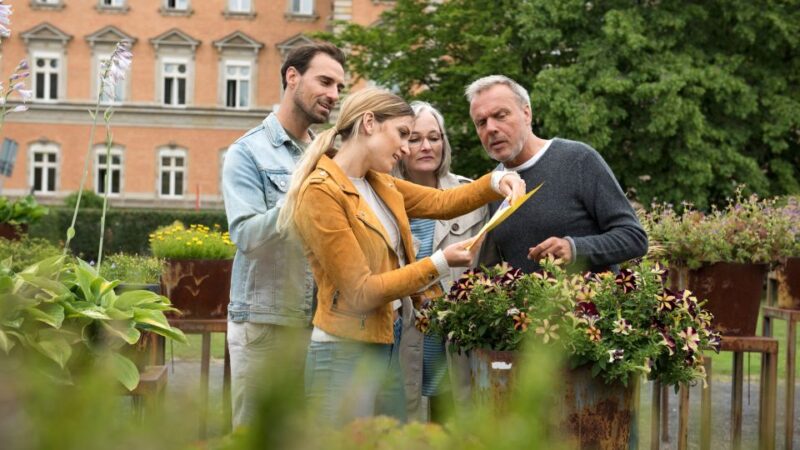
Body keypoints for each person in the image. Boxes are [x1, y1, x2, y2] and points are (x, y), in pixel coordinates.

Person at [276, 87, 525, 426]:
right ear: (369, 123)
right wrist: (438, 264)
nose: (407, 148)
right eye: (403, 134)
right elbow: (360, 291)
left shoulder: (377, 183)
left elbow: (442, 202)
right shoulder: (321, 192)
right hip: (344, 352)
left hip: (386, 340)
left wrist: (499, 180)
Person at [221, 42, 346, 428]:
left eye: (340, 87)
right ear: (292, 77)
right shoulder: (247, 152)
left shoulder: (325, 156)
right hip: (265, 326)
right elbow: (246, 236)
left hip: (319, 325)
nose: (334, 95)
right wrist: (301, 196)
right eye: (325, 81)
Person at [466, 75, 648, 273]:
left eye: (500, 115)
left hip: (591, 301)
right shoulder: (493, 186)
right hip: (528, 304)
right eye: (481, 122)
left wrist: (575, 248)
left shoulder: (578, 160)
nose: (491, 128)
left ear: (526, 114)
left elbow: (634, 238)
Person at [393, 101, 487, 422]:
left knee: (452, 425)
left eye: (434, 137)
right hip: (402, 339)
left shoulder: (469, 196)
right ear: (400, 143)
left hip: (454, 341)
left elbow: (485, 271)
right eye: (414, 138)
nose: (426, 146)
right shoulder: (382, 198)